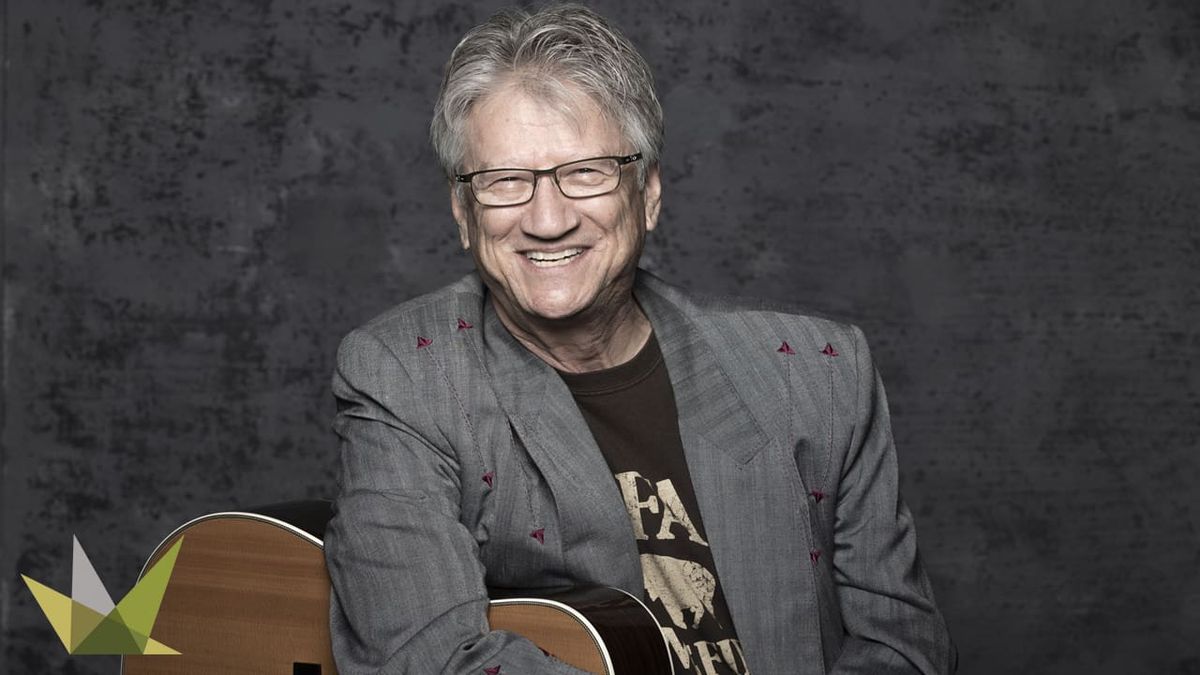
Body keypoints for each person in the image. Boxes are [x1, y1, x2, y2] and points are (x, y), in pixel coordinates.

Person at [324, 4, 956, 674]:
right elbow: (430, 656)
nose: (547, 219)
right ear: (463, 212)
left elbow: (903, 646)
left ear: (648, 193)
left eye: (586, 171)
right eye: (505, 181)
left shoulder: (820, 374)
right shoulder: (403, 377)